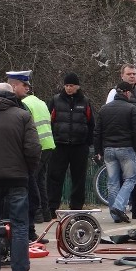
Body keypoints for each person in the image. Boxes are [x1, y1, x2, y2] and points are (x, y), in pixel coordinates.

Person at [0, 82, 41, 271]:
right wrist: (28, 170)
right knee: (19, 227)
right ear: (11, 96)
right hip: (17, 178)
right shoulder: (22, 116)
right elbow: (33, 148)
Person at [7, 70, 55, 241]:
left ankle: (29, 232)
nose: (27, 87)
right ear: (14, 86)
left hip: (29, 158)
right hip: (19, 161)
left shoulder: (24, 105)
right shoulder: (15, 106)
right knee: (25, 197)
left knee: (32, 197)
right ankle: (21, 235)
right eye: (24, 84)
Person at [106, 64, 136, 219]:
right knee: (121, 176)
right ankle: (119, 208)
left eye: (134, 73)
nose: (132, 76)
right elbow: (109, 113)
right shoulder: (114, 92)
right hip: (123, 140)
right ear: (122, 75)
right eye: (129, 74)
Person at [94, 81, 136, 223]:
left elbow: (97, 132)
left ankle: (115, 215)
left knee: (112, 182)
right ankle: (118, 206)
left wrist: (98, 150)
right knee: (130, 179)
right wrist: (134, 146)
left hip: (108, 149)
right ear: (127, 93)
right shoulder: (131, 109)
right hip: (126, 148)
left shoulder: (104, 109)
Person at [46, 72, 95, 216]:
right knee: (55, 176)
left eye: (71, 86)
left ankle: (76, 207)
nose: (68, 88)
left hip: (79, 146)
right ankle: (52, 207)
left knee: (79, 178)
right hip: (59, 144)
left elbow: (91, 123)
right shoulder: (55, 100)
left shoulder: (85, 101)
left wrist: (88, 143)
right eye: (66, 85)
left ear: (77, 86)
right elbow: (49, 121)